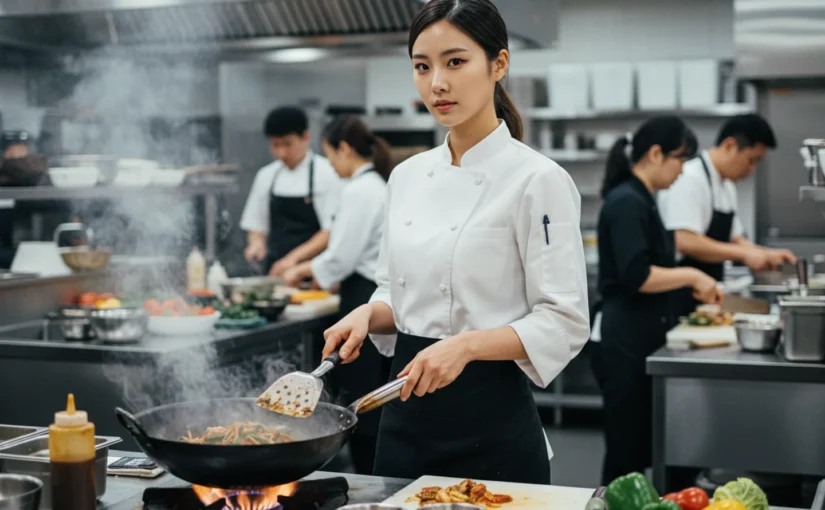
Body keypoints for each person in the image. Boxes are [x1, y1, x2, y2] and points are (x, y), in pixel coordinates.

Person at [321, 0, 590, 484]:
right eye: (422, 67)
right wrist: (367, 314)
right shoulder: (405, 176)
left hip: (493, 419)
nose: (437, 84)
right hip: (405, 416)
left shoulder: (537, 179)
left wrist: (464, 347)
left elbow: (564, 320)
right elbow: (396, 291)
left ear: (498, 64)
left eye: (455, 62)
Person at [591, 117, 723, 485]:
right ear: (655, 154)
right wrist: (693, 276)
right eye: (680, 160)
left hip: (639, 337)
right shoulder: (626, 202)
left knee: (642, 443)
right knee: (625, 451)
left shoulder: (643, 199)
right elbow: (638, 276)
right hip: (623, 341)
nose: (682, 172)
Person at [282, 115, 393, 475]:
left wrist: (302, 270)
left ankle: (369, 475)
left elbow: (342, 256)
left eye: (330, 155)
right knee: (369, 392)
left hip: (364, 298)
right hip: (369, 293)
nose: (330, 165)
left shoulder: (361, 190)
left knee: (361, 395)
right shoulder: (373, 185)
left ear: (344, 149)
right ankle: (372, 470)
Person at [657, 114, 796, 317]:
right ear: (730, 146)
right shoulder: (689, 178)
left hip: (708, 296)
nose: (752, 170)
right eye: (751, 160)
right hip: (680, 296)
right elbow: (685, 240)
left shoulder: (726, 186)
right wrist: (745, 254)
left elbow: (736, 238)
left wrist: (767, 254)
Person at [240, 107, 343, 276]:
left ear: (306, 137)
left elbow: (330, 231)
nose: (281, 153)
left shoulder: (328, 173)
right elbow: (256, 225)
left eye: (288, 144)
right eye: (275, 145)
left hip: (313, 272)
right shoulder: (266, 175)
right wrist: (256, 244)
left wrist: (293, 259)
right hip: (275, 270)